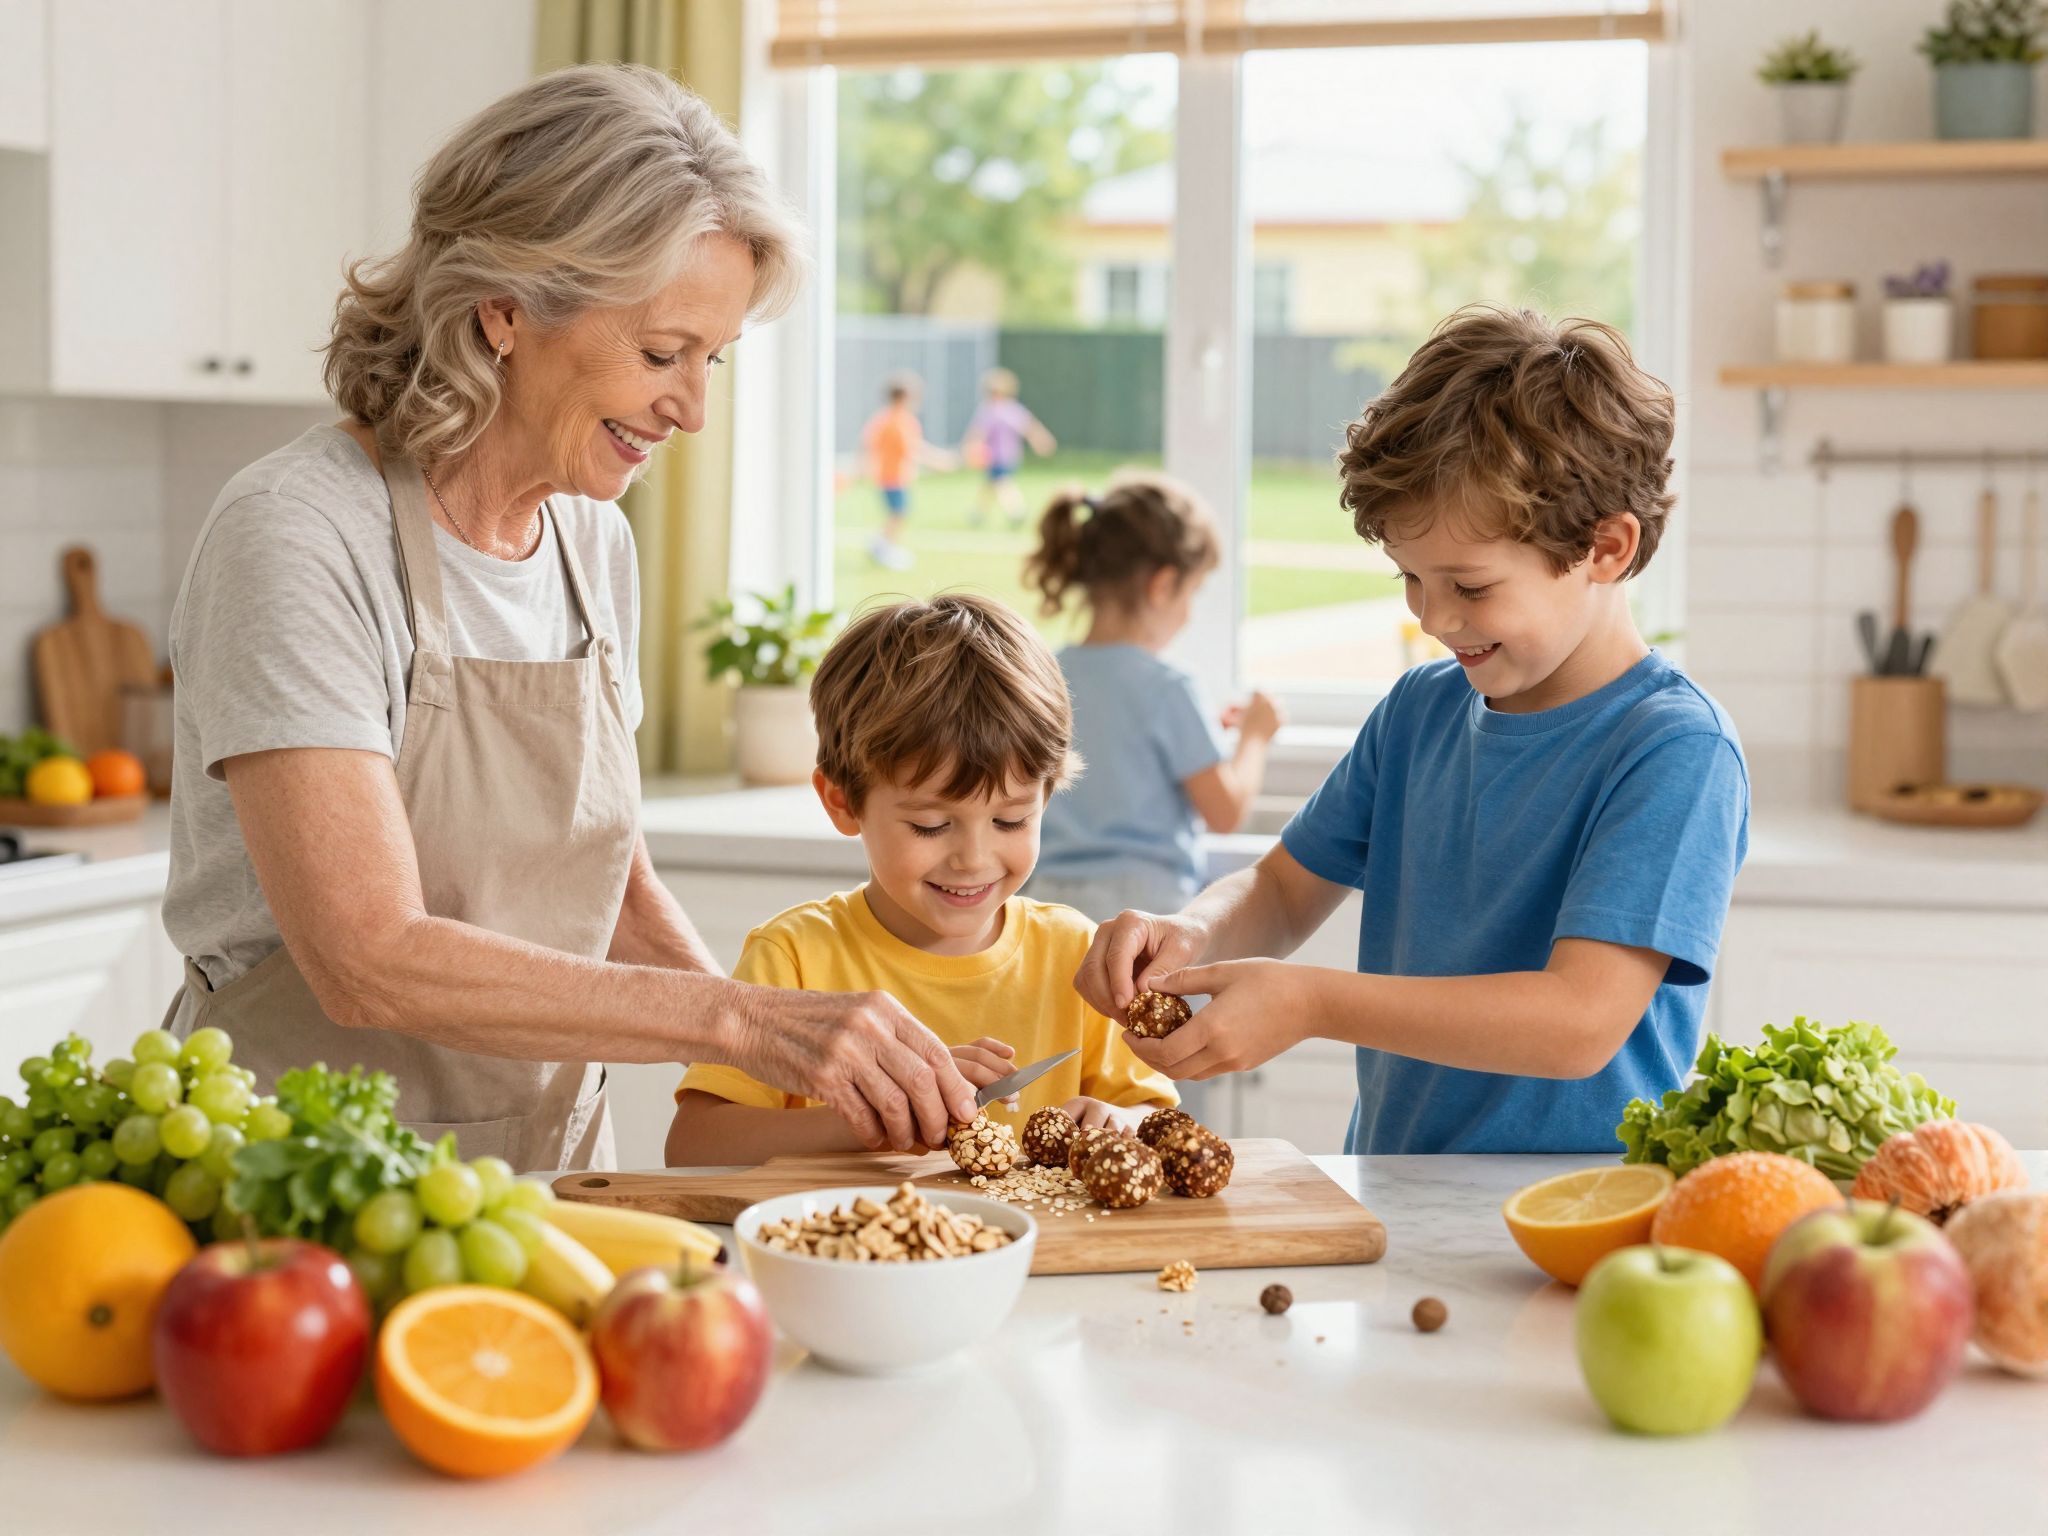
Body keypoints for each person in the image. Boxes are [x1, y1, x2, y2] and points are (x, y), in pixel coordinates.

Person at [162, 65, 980, 1173]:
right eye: (660, 354)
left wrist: (800, 1066)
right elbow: (366, 957)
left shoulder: (591, 540)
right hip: (297, 1173)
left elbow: (607, 874)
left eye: (713, 361)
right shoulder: (299, 534)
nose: (691, 408)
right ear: (503, 310)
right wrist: (747, 1022)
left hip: (545, 1168)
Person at [1076, 306, 1750, 1157]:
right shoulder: (1419, 713)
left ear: (1606, 549)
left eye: (1469, 586)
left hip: (1584, 1214)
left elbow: (1578, 1023)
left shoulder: (1673, 750)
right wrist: (1193, 933)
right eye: (1410, 577)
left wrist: (1311, 1002)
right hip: (1394, 1185)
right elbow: (1284, 891)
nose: (1434, 617)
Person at [666, 594, 1178, 1166]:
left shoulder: (1075, 955)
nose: (973, 858)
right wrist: (871, 1118)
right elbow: (693, 1147)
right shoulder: (796, 956)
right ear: (842, 802)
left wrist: (1122, 1122)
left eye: (1011, 819)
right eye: (932, 825)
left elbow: (1156, 1120)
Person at [1022, 474, 1284, 923]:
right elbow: (1225, 812)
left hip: (1046, 909)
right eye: (1192, 593)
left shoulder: (1041, 676)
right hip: (1143, 916)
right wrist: (1255, 737)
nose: (1190, 613)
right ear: (1163, 585)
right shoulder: (1168, 687)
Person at [860, 373, 951, 571]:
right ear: (904, 398)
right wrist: (937, 462)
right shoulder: (898, 421)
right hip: (893, 476)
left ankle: (882, 546)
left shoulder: (884, 419)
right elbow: (911, 449)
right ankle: (882, 548)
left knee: (897, 514)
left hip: (889, 475)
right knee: (898, 514)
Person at [961, 367, 1056, 528]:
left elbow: (1030, 428)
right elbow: (978, 433)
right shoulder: (998, 410)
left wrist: (1042, 441)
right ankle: (978, 513)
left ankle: (1016, 510)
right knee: (991, 485)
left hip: (1003, 456)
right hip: (997, 456)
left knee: (1002, 484)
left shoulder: (1002, 410)